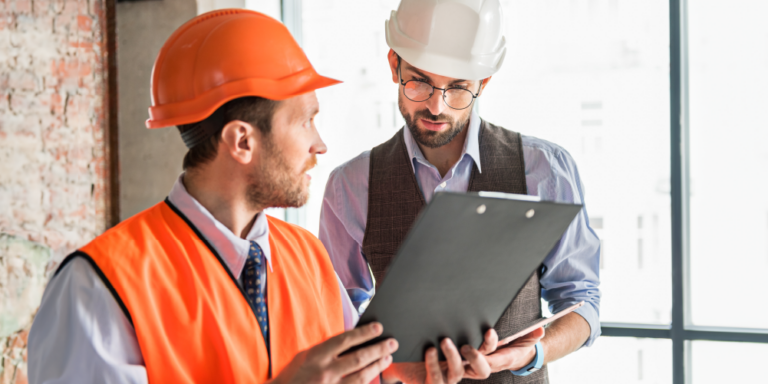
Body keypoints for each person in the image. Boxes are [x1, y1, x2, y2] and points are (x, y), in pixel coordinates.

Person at [27, 9, 491, 384]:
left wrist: (402, 377)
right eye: (305, 120)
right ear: (242, 141)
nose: (320, 144)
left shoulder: (308, 259)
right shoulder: (99, 287)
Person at [319, 1, 602, 383]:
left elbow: (582, 302)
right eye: (418, 81)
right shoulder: (350, 186)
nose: (436, 106)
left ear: (483, 84)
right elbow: (335, 323)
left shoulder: (545, 169)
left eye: (457, 89)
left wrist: (532, 352)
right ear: (393, 65)